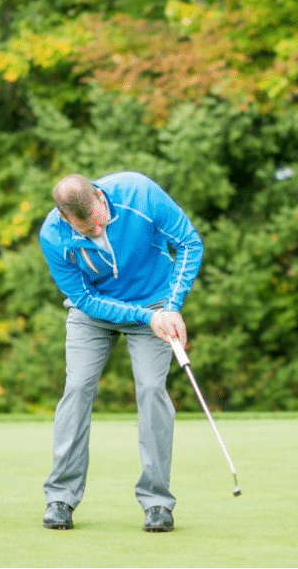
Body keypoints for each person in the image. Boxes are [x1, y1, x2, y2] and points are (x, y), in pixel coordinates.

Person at [37, 171, 203, 533]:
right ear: (65, 218)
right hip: (94, 312)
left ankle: (157, 503)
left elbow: (190, 243)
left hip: (156, 302)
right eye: (87, 232)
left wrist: (171, 307)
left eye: (99, 224)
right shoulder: (53, 235)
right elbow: (83, 299)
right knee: (77, 388)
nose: (97, 233)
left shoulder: (140, 195)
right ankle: (61, 497)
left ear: (99, 197)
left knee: (151, 389)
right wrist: (147, 316)